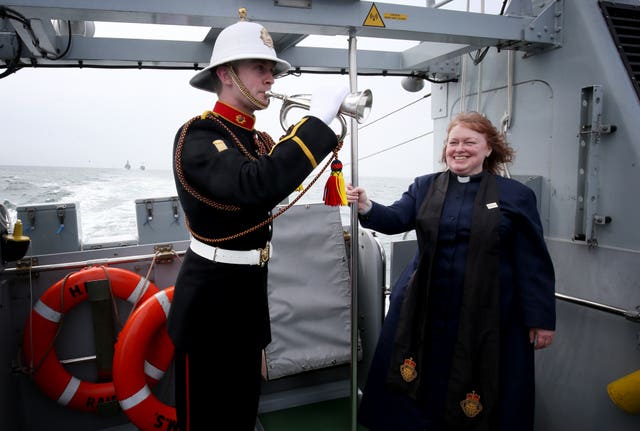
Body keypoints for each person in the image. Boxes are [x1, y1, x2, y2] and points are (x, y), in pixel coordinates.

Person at [167, 13, 349, 431]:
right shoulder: (198, 136)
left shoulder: (255, 139)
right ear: (227, 74)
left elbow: (272, 175)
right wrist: (317, 124)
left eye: (272, 70)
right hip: (209, 310)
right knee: (208, 421)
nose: (271, 79)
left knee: (240, 414)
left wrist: (317, 130)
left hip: (246, 303)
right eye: (261, 68)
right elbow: (255, 186)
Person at [346, 111, 556, 431]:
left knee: (483, 383)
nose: (460, 148)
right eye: (453, 142)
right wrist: (367, 207)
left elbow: (533, 261)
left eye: (470, 142)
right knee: (420, 379)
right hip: (424, 306)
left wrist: (540, 319)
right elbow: (395, 219)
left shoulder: (516, 196)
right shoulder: (424, 187)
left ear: (489, 149)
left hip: (489, 312)